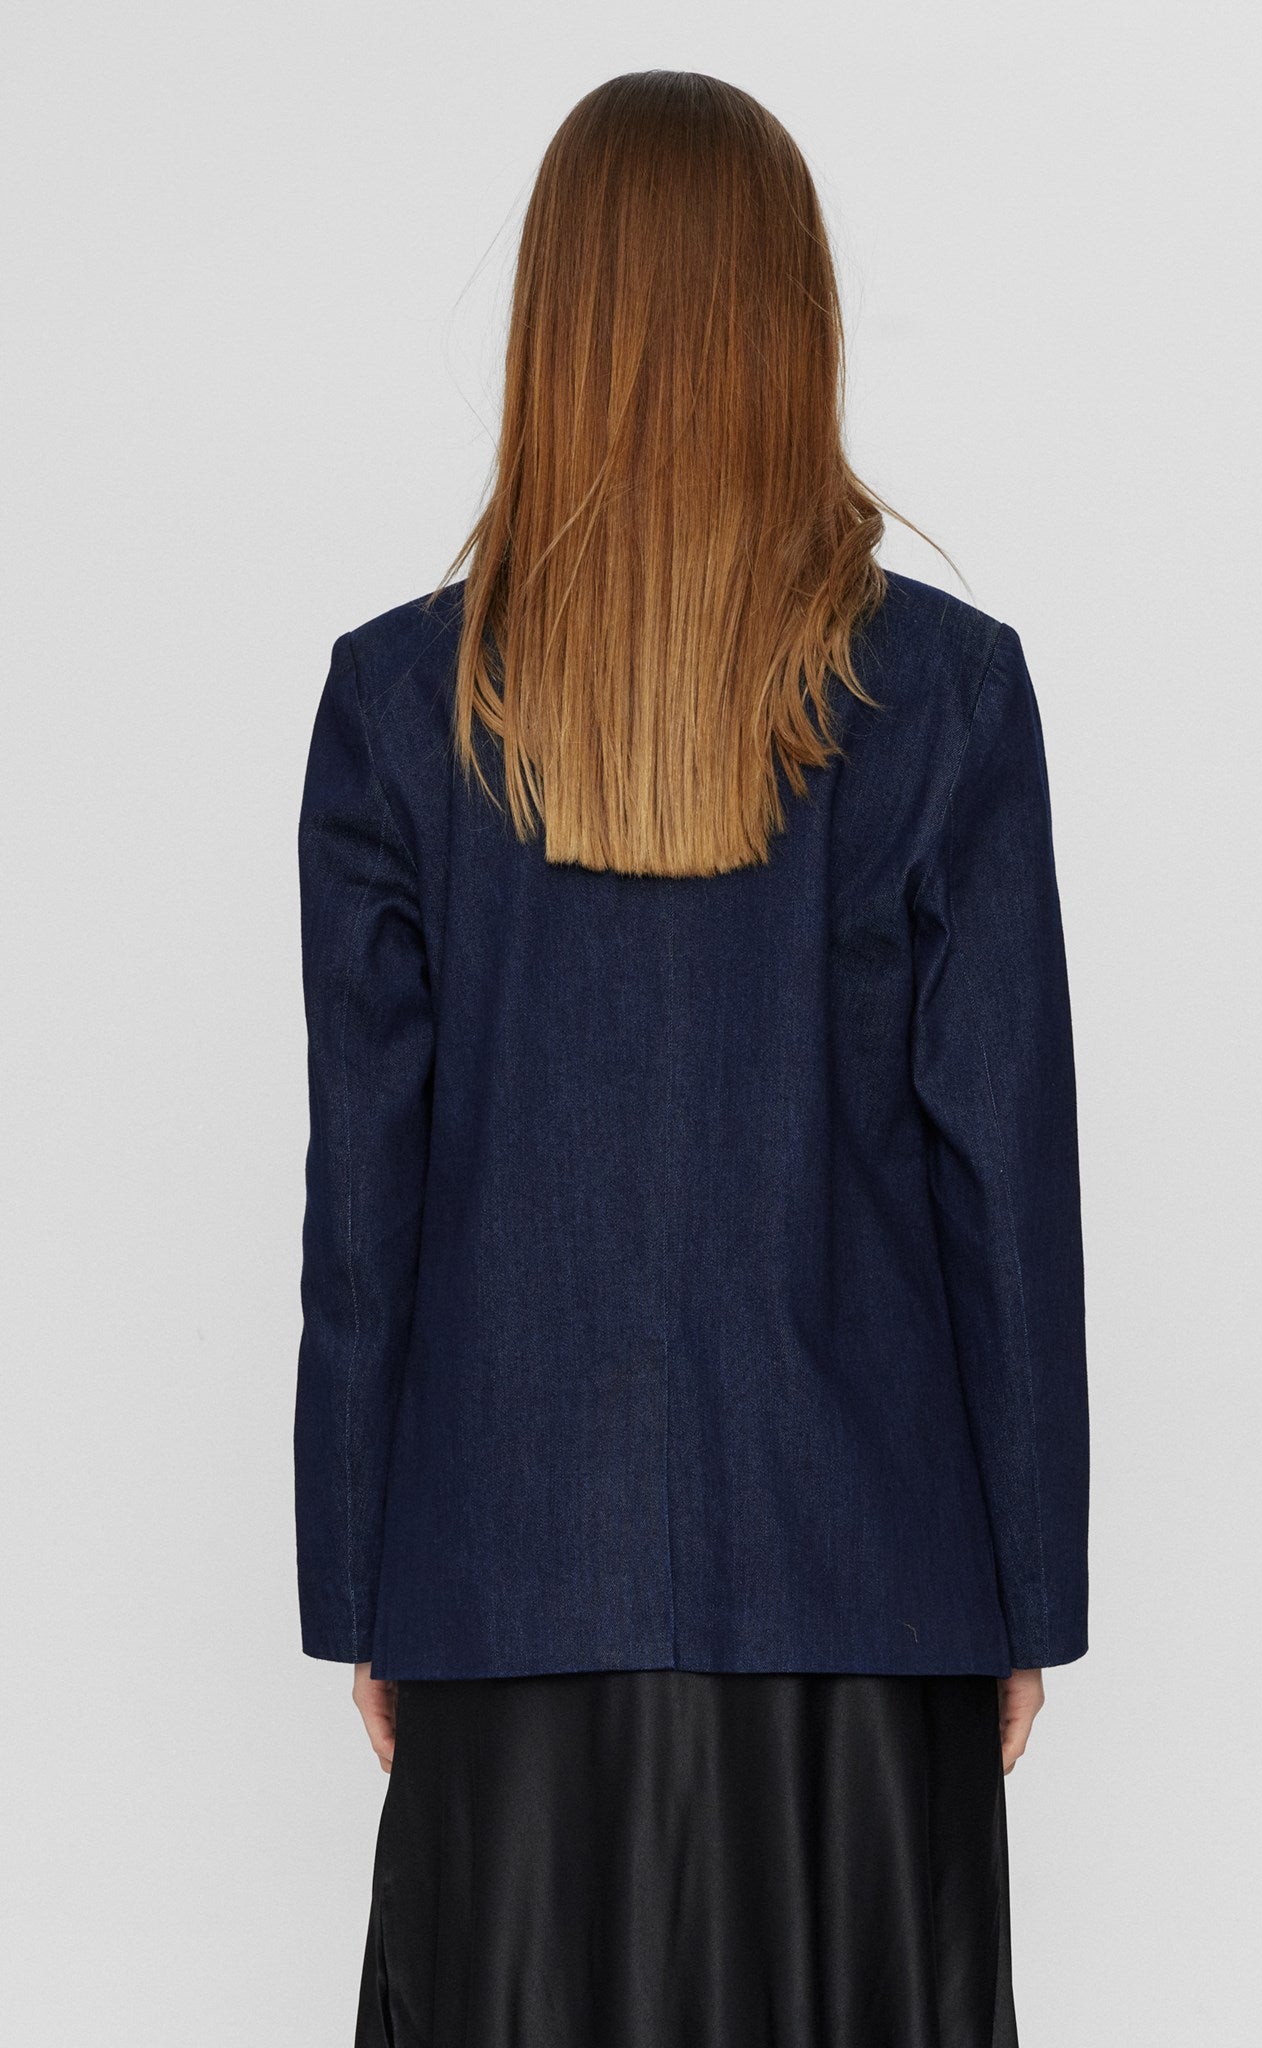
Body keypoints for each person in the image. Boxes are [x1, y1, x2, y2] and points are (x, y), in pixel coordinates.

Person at [294, 69, 1088, 2048]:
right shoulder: (946, 699)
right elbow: (1003, 1179)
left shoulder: (397, 707)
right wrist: (1020, 1585)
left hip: (501, 1574)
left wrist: (367, 1577)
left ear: (550, 330)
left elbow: (366, 1208)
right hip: (865, 1578)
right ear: (789, 322)